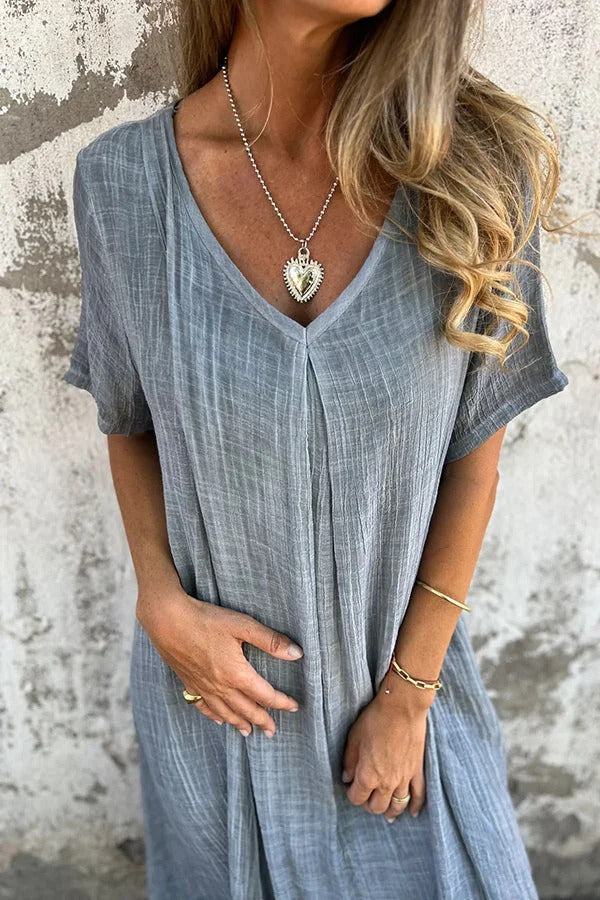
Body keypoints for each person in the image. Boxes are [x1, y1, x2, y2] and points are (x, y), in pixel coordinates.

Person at [63, 0, 570, 897]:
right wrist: (158, 600)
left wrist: (408, 698)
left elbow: (473, 461)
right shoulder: (124, 184)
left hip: (404, 708)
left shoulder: (471, 172)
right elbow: (129, 418)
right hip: (219, 704)